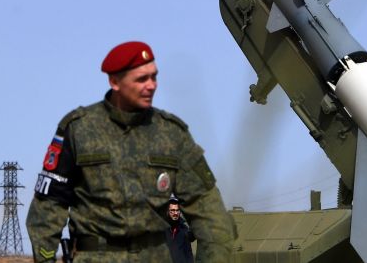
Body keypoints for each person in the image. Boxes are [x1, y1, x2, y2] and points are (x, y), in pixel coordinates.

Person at [27, 41, 235, 263]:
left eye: (154, 77)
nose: (151, 85)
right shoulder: (78, 129)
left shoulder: (172, 133)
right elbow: (47, 208)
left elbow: (208, 210)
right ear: (115, 82)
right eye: (141, 79)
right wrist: (46, 259)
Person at [165, 197, 194, 263]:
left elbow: (188, 254)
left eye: (177, 210)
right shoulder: (161, 229)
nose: (175, 213)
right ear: (167, 211)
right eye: (172, 210)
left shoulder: (184, 230)